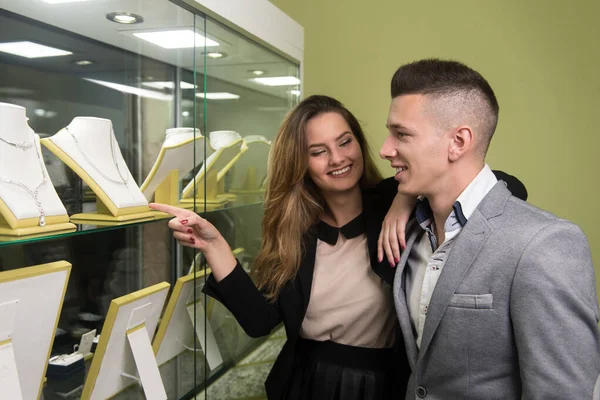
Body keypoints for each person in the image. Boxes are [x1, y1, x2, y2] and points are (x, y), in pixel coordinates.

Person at [151, 95, 524, 399]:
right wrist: (215, 246)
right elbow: (259, 321)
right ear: (302, 162)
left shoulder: (400, 204)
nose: (338, 158)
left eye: (344, 142)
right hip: (304, 383)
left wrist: (404, 198)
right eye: (319, 151)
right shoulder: (293, 229)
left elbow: (508, 187)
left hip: (386, 384)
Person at [379, 58, 600, 400]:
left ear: (458, 142)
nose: (385, 149)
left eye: (401, 134)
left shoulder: (544, 243)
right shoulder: (411, 233)